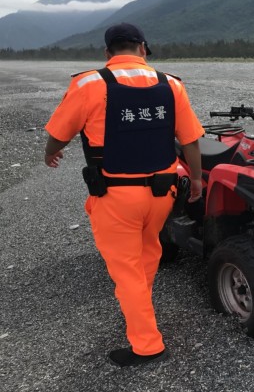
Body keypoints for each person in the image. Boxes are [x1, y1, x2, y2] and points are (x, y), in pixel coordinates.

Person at [44, 22, 205, 367]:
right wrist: (197, 180)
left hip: (116, 196)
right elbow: (190, 139)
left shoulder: (89, 83)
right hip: (163, 194)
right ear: (143, 49)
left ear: (108, 52)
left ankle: (148, 345)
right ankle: (138, 310)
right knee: (147, 254)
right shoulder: (171, 84)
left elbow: (60, 133)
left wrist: (50, 152)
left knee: (127, 268)